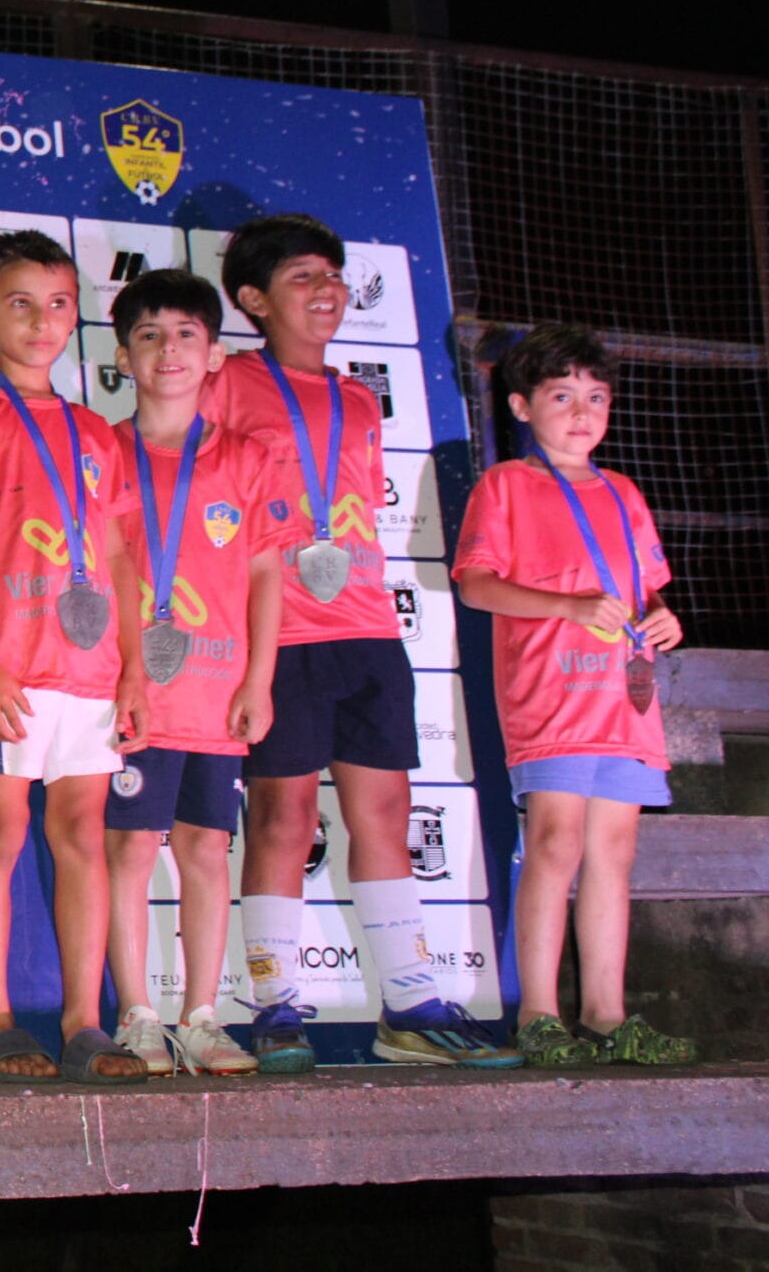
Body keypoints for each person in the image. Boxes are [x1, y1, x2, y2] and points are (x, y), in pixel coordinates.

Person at [208, 214, 515, 1068]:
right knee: (284, 817)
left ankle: (410, 1005)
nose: (327, 291)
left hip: (370, 626)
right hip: (279, 633)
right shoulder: (227, 383)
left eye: (333, 275)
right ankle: (274, 1006)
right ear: (254, 299)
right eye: (303, 278)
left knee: (385, 812)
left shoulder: (354, 397)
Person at [0, 229, 149, 1085]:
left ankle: (85, 1021)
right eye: (19, 303)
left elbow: (118, 554)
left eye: (58, 304)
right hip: (6, 664)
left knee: (82, 833)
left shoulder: (95, 431)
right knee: (0, 828)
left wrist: (134, 666)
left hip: (91, 669)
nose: (41, 321)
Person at [452, 324, 694, 1067]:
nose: (582, 413)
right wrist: (565, 606)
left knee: (613, 852)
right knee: (555, 843)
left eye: (596, 398)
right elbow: (476, 583)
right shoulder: (505, 486)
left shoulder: (624, 492)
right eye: (562, 397)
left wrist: (664, 615)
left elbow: (646, 586)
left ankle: (607, 1014)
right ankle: (538, 1014)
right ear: (522, 406)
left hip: (625, 702)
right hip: (552, 698)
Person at [99, 269, 279, 1077]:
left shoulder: (246, 458)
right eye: (148, 335)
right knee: (130, 848)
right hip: (132, 690)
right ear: (122, 356)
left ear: (213, 355)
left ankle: (202, 1014)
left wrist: (259, 679)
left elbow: (267, 573)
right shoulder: (103, 450)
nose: (167, 350)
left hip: (218, 691)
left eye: (185, 335)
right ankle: (137, 1014)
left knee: (207, 846)